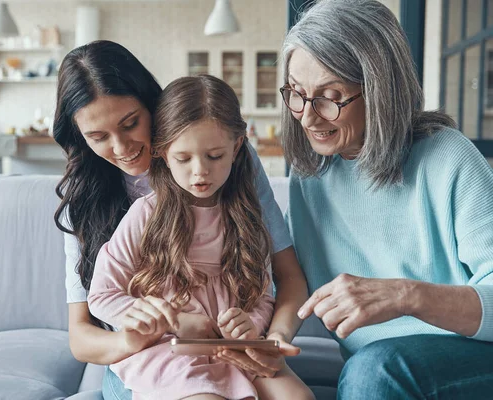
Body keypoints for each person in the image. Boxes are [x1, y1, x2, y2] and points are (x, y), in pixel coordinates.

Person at [220, 0, 493, 398]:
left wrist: (405, 295)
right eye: (296, 94)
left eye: (329, 97)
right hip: (378, 370)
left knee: (375, 368)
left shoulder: (447, 157)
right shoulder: (311, 175)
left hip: (471, 356)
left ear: (380, 91)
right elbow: (287, 276)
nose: (308, 117)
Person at [52, 41, 308, 399]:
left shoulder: (229, 171)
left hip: (234, 345)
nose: (122, 147)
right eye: (98, 137)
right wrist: (157, 329)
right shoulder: (93, 203)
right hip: (149, 352)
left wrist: (266, 337)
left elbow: (280, 277)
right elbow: (83, 335)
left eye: (131, 124)